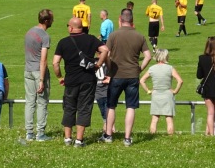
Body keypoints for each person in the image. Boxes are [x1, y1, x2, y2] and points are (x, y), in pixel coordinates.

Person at [52, 17, 109, 147]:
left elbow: (55, 63)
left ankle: (67, 138)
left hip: (71, 80)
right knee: (84, 108)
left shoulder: (63, 42)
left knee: (69, 107)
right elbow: (105, 50)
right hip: (88, 79)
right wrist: (98, 64)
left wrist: (60, 77)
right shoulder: (91, 39)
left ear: (71, 28)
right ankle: (79, 140)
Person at [99, 8, 152, 146]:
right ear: (132, 20)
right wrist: (139, 69)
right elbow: (148, 56)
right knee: (131, 106)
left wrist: (109, 68)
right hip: (132, 76)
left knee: (111, 105)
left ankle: (108, 135)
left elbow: (106, 54)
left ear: (120, 19)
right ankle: (127, 138)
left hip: (116, 75)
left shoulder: (113, 35)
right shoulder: (139, 36)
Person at [24, 9, 54, 141]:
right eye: (52, 19)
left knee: (30, 102)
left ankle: (29, 132)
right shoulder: (44, 36)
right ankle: (40, 133)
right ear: (47, 21)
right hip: (38, 72)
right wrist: (42, 80)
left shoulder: (29, 32)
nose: (53, 21)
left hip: (28, 70)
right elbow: (43, 60)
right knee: (42, 102)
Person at [140, 49, 183, 135]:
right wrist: (175, 91)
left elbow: (142, 80)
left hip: (156, 95)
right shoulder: (170, 68)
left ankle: (152, 136)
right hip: (168, 94)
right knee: (169, 119)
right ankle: (171, 137)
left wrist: (148, 91)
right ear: (165, 56)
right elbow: (180, 81)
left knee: (154, 119)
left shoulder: (152, 68)